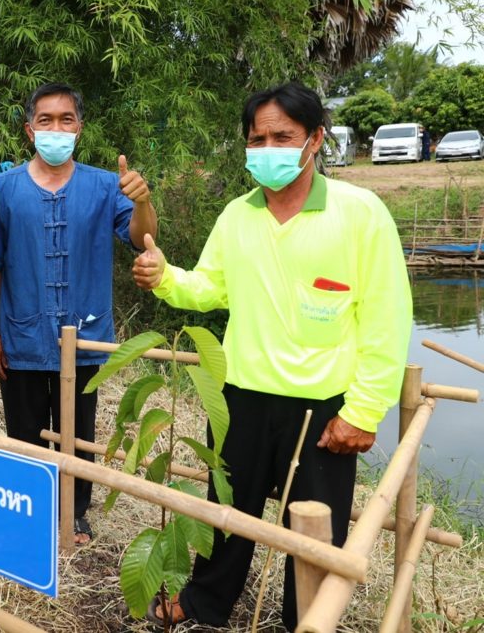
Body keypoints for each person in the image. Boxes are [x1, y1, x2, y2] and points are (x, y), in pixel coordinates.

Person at [133, 82, 412, 630]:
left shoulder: (361, 213)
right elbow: (211, 288)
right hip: (241, 396)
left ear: (315, 140)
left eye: (282, 136)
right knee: (227, 514)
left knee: (313, 528)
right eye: (257, 138)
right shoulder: (238, 215)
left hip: (324, 406)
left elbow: (387, 318)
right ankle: (204, 603)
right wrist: (164, 276)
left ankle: (306, 618)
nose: (268, 148)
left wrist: (364, 409)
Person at [0, 82, 158, 545]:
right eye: (46, 120)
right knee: (24, 427)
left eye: (66, 120)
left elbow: (141, 237)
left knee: (78, 427)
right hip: (21, 331)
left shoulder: (106, 185)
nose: (56, 129)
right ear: (29, 130)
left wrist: (142, 200)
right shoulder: (3, 189)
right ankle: (30, 510)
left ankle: (75, 511)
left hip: (84, 332)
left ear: (79, 128)